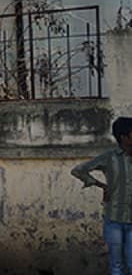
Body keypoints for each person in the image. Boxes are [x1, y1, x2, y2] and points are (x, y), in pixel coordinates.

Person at [71, 117, 132, 275]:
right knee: (116, 265)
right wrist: (99, 185)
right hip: (113, 219)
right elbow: (78, 170)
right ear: (124, 137)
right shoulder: (110, 157)